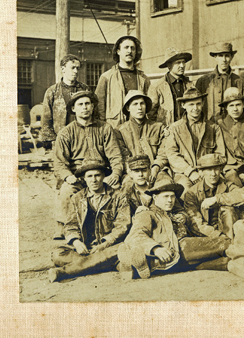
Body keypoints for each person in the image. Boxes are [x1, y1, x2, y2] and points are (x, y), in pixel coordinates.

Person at [117, 172, 234, 280]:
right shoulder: (147, 214)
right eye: (166, 196)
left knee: (221, 261)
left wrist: (184, 218)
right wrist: (156, 248)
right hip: (179, 247)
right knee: (225, 244)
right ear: (155, 198)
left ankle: (147, 266)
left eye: (172, 196)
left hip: (180, 257)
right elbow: (135, 235)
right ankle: (150, 262)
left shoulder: (173, 213)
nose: (170, 200)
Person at [53, 91, 123, 238]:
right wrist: (68, 177)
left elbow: (115, 155)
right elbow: (59, 163)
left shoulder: (105, 128)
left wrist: (116, 173)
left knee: (118, 190)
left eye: (87, 104)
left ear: (92, 107)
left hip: (101, 175)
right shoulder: (66, 133)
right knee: (66, 190)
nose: (84, 107)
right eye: (80, 104)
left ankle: (115, 225)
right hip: (78, 177)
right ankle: (66, 227)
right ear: (73, 109)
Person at [48, 159, 131, 283]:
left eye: (97, 175)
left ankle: (63, 273)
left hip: (109, 246)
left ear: (103, 176)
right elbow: (71, 224)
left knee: (120, 249)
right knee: (57, 254)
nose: (94, 180)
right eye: (90, 176)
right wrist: (76, 242)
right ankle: (104, 263)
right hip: (86, 249)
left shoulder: (118, 197)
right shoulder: (76, 198)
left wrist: (104, 244)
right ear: (84, 179)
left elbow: (122, 226)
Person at [162, 87, 226, 190]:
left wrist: (207, 170)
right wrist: (190, 171)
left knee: (222, 189)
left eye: (198, 104)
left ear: (203, 104)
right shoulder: (174, 129)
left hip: (209, 172)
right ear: (183, 105)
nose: (195, 108)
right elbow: (172, 154)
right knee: (186, 189)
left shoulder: (214, 128)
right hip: (183, 173)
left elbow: (220, 155)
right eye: (191, 104)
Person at [181, 153, 244, 240]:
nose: (213, 174)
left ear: (220, 170)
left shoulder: (228, 185)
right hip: (207, 234)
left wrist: (216, 199)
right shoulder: (192, 193)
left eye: (216, 169)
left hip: (228, 231)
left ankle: (230, 245)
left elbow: (242, 196)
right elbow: (196, 224)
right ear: (201, 172)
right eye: (209, 170)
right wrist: (219, 236)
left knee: (228, 210)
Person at [95, 36, 149, 129]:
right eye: (126, 47)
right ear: (118, 51)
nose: (129, 51)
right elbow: (99, 107)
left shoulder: (143, 78)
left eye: (132, 48)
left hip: (139, 129)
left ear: (136, 52)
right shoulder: (106, 77)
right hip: (115, 128)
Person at [114, 90, 167, 186]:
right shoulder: (120, 131)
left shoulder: (158, 127)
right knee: (128, 187)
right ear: (128, 108)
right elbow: (122, 156)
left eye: (142, 103)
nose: (139, 107)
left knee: (165, 185)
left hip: (157, 171)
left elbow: (163, 152)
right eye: (135, 104)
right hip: (132, 173)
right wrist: (133, 173)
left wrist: (155, 168)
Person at [195, 42, 244, 122]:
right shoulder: (203, 81)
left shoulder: (240, 82)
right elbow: (196, 106)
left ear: (232, 57)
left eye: (227, 56)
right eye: (220, 56)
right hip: (210, 127)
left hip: (233, 128)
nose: (224, 59)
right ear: (215, 57)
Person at [40, 54, 89, 144]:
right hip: (60, 139)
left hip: (82, 139)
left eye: (78, 68)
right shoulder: (52, 91)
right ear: (63, 69)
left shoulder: (84, 89)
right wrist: (51, 140)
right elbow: (46, 119)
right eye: (72, 68)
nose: (76, 71)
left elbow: (93, 114)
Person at [148, 47, 193, 126]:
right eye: (178, 62)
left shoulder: (190, 85)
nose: (182, 65)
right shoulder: (157, 87)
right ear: (169, 65)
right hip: (167, 132)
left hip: (187, 130)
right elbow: (150, 115)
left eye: (183, 62)